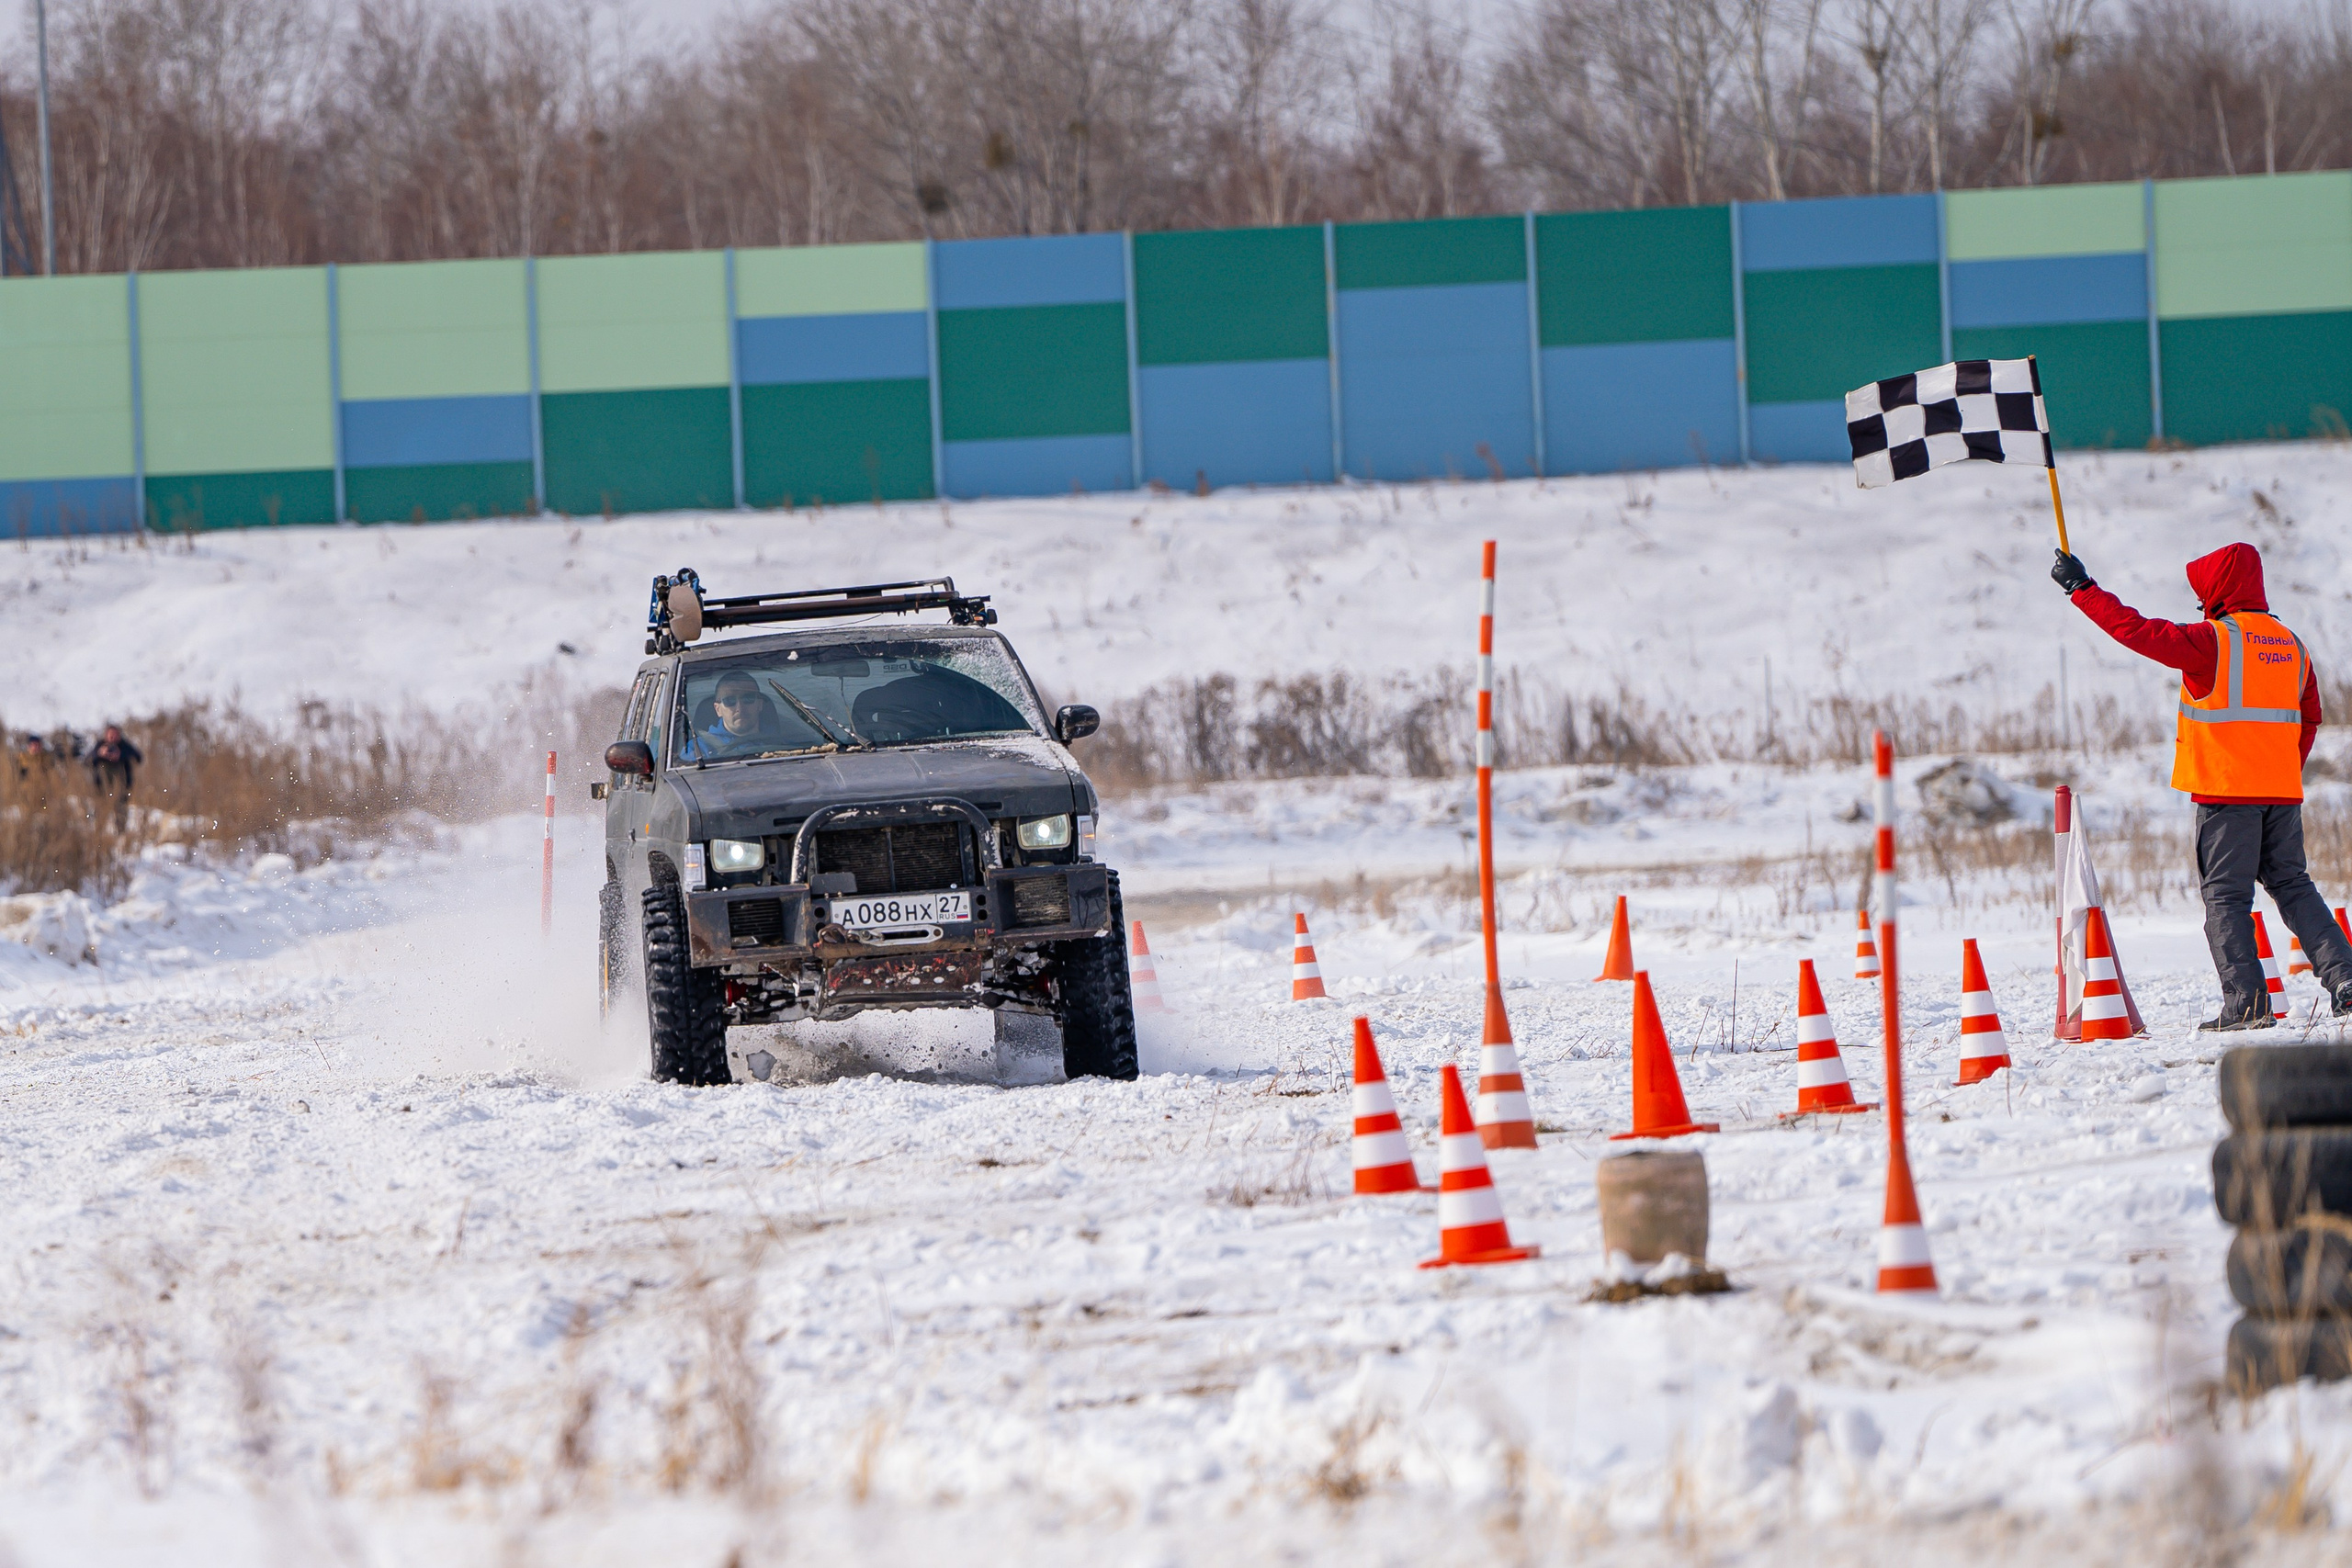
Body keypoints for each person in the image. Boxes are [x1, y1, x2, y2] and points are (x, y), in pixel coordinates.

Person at [2054, 541, 2352, 1029]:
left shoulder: (2213, 640)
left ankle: (2247, 1006)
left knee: (2226, 899)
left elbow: (2138, 631)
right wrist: (2280, 768)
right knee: (2294, 886)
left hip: (2227, 794)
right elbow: (2311, 717)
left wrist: (2082, 589)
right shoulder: (2292, 645)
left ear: (2218, 592)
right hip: (2281, 793)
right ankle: (2346, 980)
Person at [678, 671, 795, 761]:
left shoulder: (785, 747)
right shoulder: (696, 751)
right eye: (730, 701)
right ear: (718, 709)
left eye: (748, 699)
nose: (740, 708)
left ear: (760, 704)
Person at [87, 724, 142, 830]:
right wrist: (99, 754)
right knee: (100, 809)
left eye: (115, 735)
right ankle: (98, 831)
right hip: (102, 786)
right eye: (110, 735)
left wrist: (120, 755)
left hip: (122, 785)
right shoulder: (100, 745)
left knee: (121, 809)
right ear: (106, 735)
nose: (112, 738)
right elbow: (87, 760)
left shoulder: (125, 746)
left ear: (119, 735)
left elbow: (138, 757)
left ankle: (121, 832)